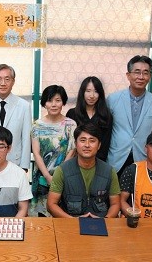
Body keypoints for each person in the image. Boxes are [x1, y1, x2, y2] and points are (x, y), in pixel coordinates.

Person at [47, 123, 120, 218]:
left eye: (92, 141)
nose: (87, 145)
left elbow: (115, 203)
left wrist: (105, 220)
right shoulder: (62, 170)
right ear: (76, 144)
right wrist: (72, 220)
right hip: (70, 222)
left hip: (101, 222)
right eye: (82, 140)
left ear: (99, 145)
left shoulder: (109, 171)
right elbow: (51, 204)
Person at [107, 55, 152, 177]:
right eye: (137, 72)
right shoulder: (113, 99)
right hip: (116, 157)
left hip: (141, 158)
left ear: (150, 76)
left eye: (145, 73)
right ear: (128, 75)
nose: (141, 77)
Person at [30, 85, 76, 216]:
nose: (54, 104)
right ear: (44, 103)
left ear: (63, 102)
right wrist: (47, 176)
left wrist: (58, 175)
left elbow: (72, 151)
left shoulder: (71, 124)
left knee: (62, 214)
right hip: (42, 176)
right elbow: (36, 153)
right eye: (50, 101)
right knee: (41, 216)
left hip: (65, 175)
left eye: (58, 100)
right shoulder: (37, 125)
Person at [66, 76, 113, 161]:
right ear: (82, 92)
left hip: (98, 162)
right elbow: (70, 143)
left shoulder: (106, 115)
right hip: (75, 161)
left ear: (100, 94)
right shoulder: (72, 114)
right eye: (88, 91)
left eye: (96, 91)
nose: (92, 96)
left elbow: (105, 145)